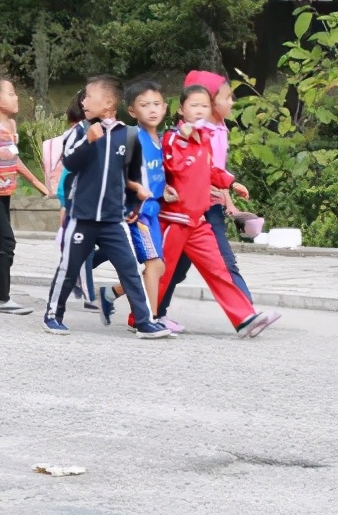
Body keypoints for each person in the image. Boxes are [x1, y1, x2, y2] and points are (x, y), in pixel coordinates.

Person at [42, 76, 170, 338]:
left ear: (109, 103)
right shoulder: (80, 132)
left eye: (89, 96)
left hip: (114, 219)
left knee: (131, 269)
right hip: (82, 217)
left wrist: (135, 201)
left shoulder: (129, 135)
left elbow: (131, 176)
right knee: (69, 268)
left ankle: (145, 322)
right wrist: (88, 141)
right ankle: (53, 315)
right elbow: (70, 163)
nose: (83, 102)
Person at [155, 85, 279, 337]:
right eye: (194, 105)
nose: (200, 110)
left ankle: (244, 319)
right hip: (175, 219)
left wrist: (231, 183)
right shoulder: (171, 138)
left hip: (198, 220)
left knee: (219, 268)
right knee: (162, 271)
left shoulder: (204, 140)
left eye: (204, 106)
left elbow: (211, 170)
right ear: (181, 110)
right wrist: (186, 139)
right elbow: (169, 166)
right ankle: (143, 317)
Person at [0, 75, 51, 315]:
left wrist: (37, 183)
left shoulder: (12, 126)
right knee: (6, 243)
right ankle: (3, 299)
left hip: (5, 192)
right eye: (11, 93)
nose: (16, 97)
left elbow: (14, 158)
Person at [96, 81, 169, 329]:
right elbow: (116, 171)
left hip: (152, 212)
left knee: (155, 267)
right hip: (137, 213)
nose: (152, 109)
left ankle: (111, 294)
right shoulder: (132, 137)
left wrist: (165, 189)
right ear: (131, 110)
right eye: (144, 104)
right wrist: (132, 197)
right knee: (154, 265)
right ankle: (148, 319)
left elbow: (156, 174)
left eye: (156, 104)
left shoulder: (161, 140)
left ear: (165, 108)